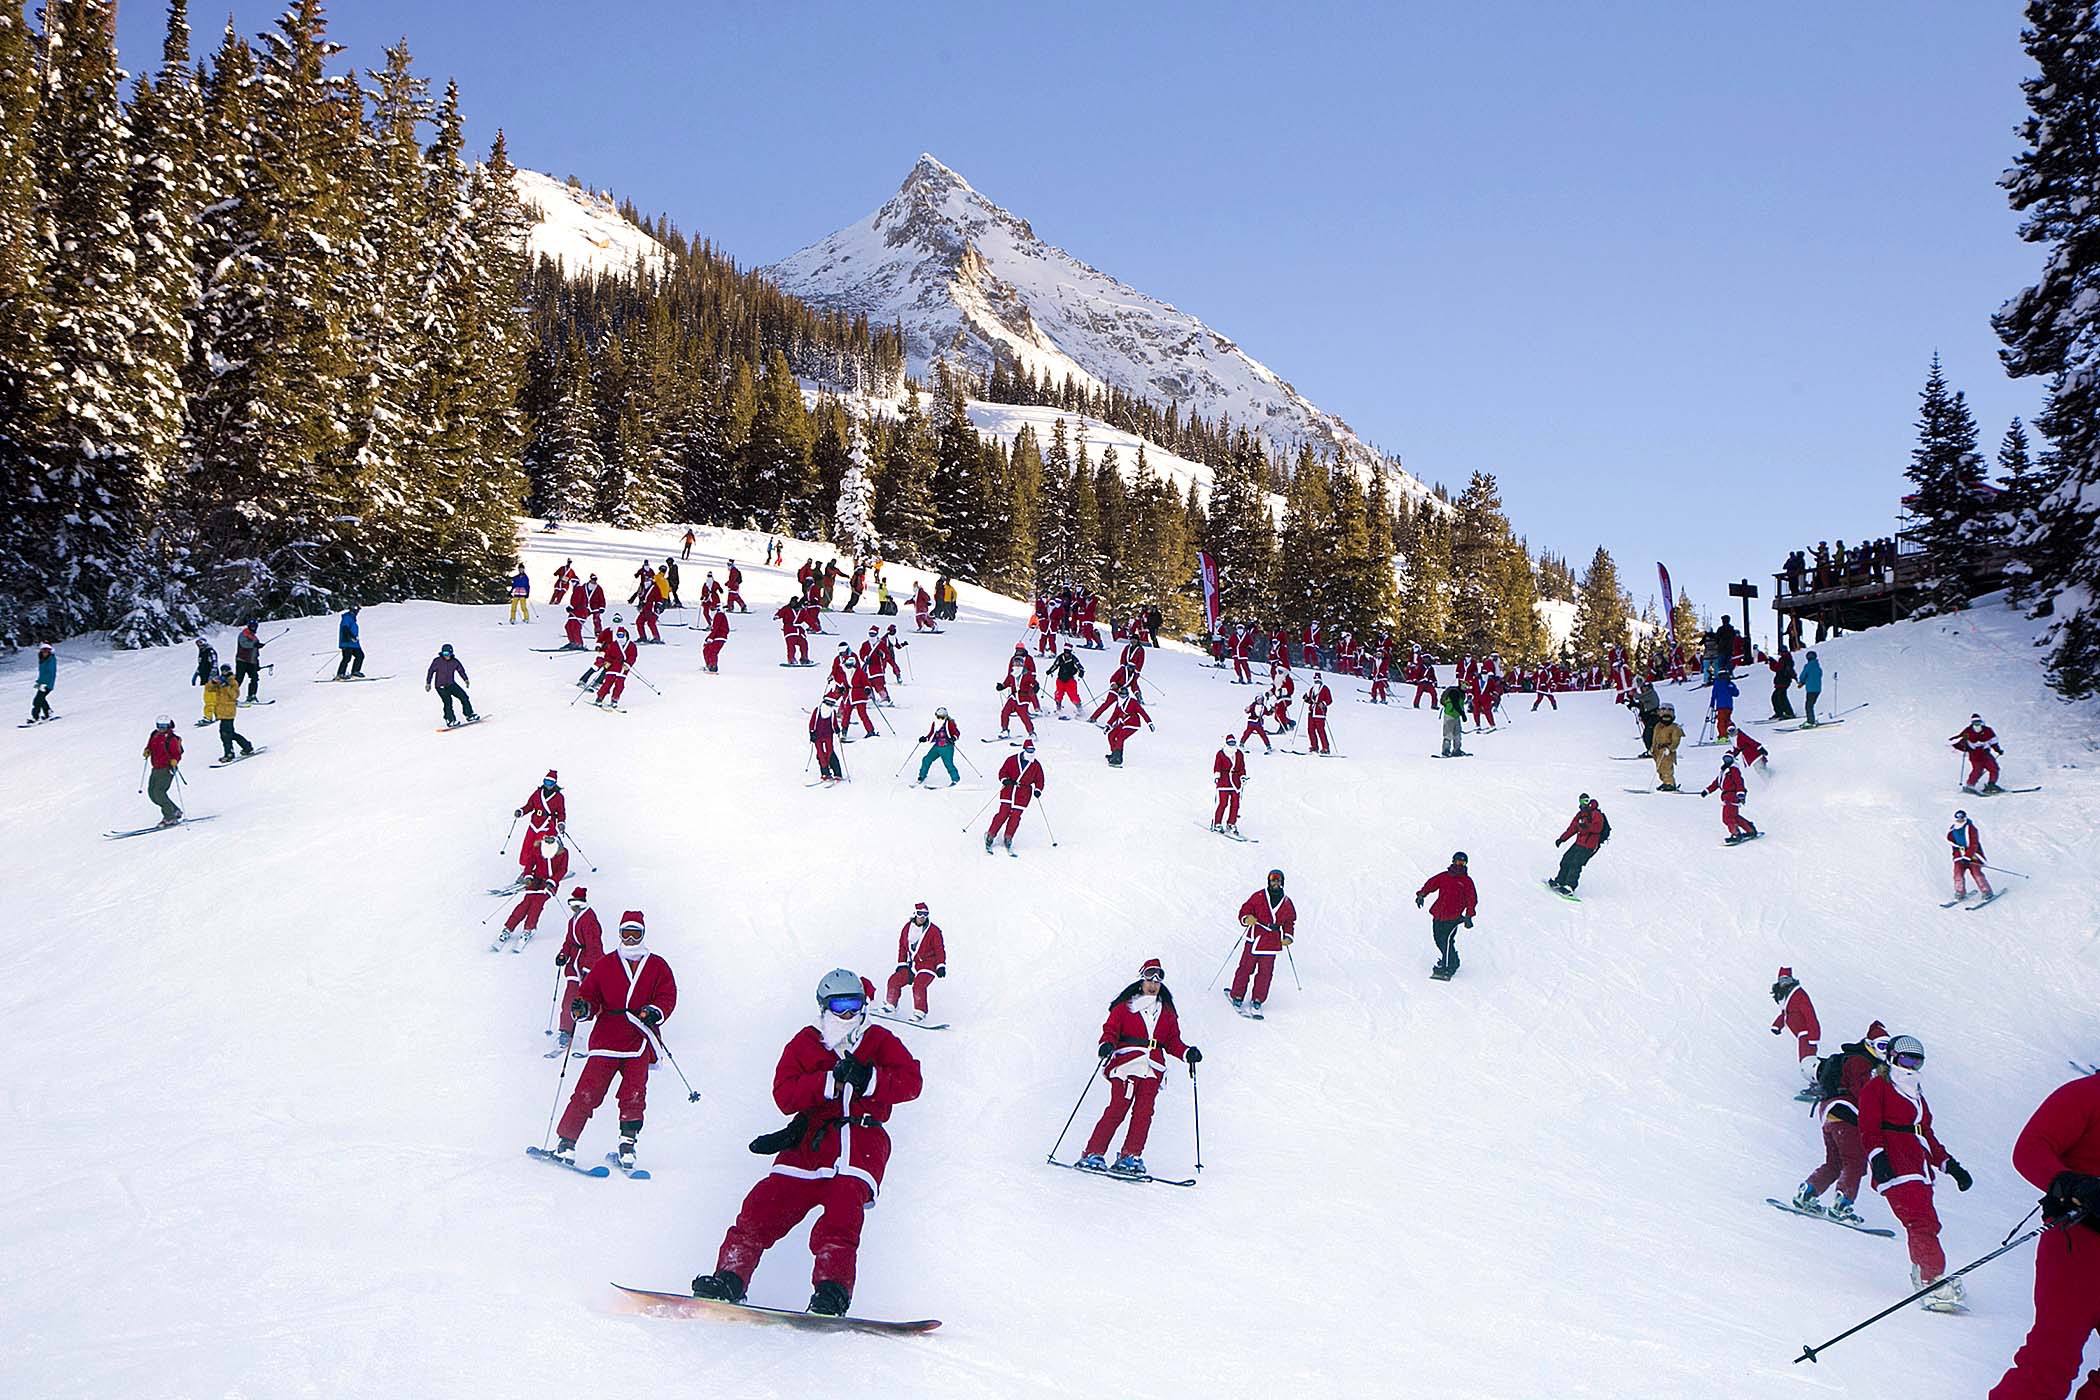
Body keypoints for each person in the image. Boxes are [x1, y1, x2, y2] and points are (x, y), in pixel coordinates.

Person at [691, 970, 922, 1317]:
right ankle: (729, 1278)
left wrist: (870, 1079)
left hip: (859, 1143)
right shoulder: (806, 1042)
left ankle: (831, 1292)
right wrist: (827, 1082)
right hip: (809, 1144)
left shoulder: (879, 1040)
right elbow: (784, 1094)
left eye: (854, 1005)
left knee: (842, 1216)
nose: (847, 1015)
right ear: (824, 1006)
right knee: (761, 1206)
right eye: (840, 1006)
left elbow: (911, 1082)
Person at [1987, 1070, 2100, 1400]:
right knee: (2054, 1357)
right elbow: (2030, 1148)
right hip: (2077, 1243)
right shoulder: (2087, 1094)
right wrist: (2070, 1183)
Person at [551, 911, 677, 1174]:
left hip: (638, 1037)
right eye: (625, 933)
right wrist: (583, 1008)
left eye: (636, 933)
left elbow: (667, 995)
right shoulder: (606, 964)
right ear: (619, 934)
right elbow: (589, 996)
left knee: (634, 1094)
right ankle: (566, 1142)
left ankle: (627, 1146)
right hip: (607, 1037)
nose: (630, 939)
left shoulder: (657, 965)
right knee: (588, 1090)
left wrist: (655, 1010)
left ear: (643, 934)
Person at [1859, 1034, 1974, 1309]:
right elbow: (1869, 1127)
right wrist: (1878, 1158)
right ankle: (1931, 1279)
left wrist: (1950, 1165)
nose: (1910, 1065)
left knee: (1928, 1223)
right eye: (1905, 1058)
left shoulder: (1916, 1092)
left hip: (1919, 1168)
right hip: (1895, 1166)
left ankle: (1924, 1271)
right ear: (1892, 1058)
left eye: (1916, 1060)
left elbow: (1926, 1134)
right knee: (1921, 1223)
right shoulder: (1877, 1088)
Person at [1077, 958, 1199, 1176]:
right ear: (1141, 981)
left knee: (1144, 1113)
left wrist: (1187, 1052)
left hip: (1152, 1068)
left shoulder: (1167, 1012)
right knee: (1118, 1108)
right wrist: (1106, 1044)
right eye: (1148, 979)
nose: (1153, 985)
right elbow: (1111, 1030)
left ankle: (1130, 1156)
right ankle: (1093, 1152)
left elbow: (1172, 1042)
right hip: (1126, 1064)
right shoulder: (1125, 1007)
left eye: (1157, 981)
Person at [1789, 1023, 1891, 1226]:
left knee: (1835, 1163)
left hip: (1831, 1115)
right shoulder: (1860, 1062)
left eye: (1887, 1047)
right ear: (1869, 1044)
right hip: (1846, 1114)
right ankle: (1841, 1204)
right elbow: (1862, 1093)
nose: (1884, 1052)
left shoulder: (1859, 1061)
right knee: (1855, 1162)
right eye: (1880, 1046)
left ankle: (1807, 1193)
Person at [1227, 869, 1296, 1015]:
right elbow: (1245, 909)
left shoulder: (1287, 903)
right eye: (1273, 879)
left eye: (1278, 880)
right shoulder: (1259, 896)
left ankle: (1258, 999)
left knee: (1265, 973)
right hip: (1255, 937)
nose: (1275, 883)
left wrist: (1288, 936)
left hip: (1272, 943)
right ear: (1268, 881)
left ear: (1282, 882)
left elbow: (1289, 922)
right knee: (1245, 967)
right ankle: (1237, 995)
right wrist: (1247, 918)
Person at [499, 830, 569, 948]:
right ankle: (508, 927)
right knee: (525, 903)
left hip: (549, 884)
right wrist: (528, 876)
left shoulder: (562, 852)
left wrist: (552, 882)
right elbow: (530, 864)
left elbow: (562, 870)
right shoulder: (538, 848)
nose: (548, 841)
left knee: (537, 903)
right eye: (546, 839)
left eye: (551, 839)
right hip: (535, 880)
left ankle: (529, 928)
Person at [553, 887, 602, 1052]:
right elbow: (569, 941)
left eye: (574, 904)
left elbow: (595, 946)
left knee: (593, 1000)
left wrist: (589, 968)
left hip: (588, 967)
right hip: (574, 966)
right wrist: (563, 955)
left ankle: (607, 1030)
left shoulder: (589, 920)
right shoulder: (573, 920)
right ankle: (566, 1030)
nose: (572, 907)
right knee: (570, 999)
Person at [1415, 852, 1478, 980]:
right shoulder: (1445, 877)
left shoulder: (1466, 882)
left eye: (1463, 863)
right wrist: (1421, 894)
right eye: (1457, 862)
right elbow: (1431, 884)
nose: (1459, 865)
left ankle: (1447, 967)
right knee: (1438, 939)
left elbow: (1472, 899)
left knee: (1447, 940)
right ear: (1453, 861)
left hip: (1453, 917)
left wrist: (1469, 916)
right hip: (1439, 914)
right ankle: (1452, 960)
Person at [882, 903, 946, 1022]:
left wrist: (940, 965)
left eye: (925, 914)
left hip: (928, 965)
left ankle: (920, 1012)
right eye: (919, 913)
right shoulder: (907, 928)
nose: (922, 917)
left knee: (919, 985)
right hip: (913, 965)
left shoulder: (934, 931)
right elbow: (902, 947)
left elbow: (939, 949)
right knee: (894, 980)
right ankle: (891, 1005)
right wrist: (902, 963)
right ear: (915, 914)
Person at [984, 739, 1044, 853]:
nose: (1031, 753)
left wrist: (1038, 790)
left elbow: (1040, 779)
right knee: (1003, 813)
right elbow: (1002, 771)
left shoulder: (1036, 765)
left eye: (1033, 750)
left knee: (1015, 816)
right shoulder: (1012, 760)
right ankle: (991, 834)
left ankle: (1008, 836)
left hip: (1023, 794)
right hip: (1009, 790)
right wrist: (1005, 780)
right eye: (1029, 750)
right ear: (1024, 749)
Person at [1549, 793, 1609, 895]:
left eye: (1586, 801)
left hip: (1589, 845)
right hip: (1579, 843)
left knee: (1576, 864)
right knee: (1566, 859)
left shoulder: (1596, 814)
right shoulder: (1580, 815)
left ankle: (1570, 886)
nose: (1584, 803)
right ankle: (1560, 881)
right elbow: (1572, 828)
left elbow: (1598, 827)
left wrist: (1586, 826)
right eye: (1582, 801)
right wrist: (1562, 839)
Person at [1770, 968, 1821, 1076]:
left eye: (1786, 979)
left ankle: (1818, 1083)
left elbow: (1810, 1015)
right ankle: (1814, 1082)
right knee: (1804, 1061)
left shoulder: (1799, 996)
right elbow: (1786, 1013)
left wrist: (1814, 1036)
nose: (1784, 983)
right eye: (1781, 980)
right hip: (1801, 1035)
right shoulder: (1786, 997)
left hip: (1807, 1034)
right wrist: (1777, 1025)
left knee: (1808, 1061)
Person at [203, 664, 254, 762]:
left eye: (226, 671)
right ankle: (246, 746)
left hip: (229, 711)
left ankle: (229, 753)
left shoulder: (232, 682)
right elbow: (208, 688)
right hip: (221, 712)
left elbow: (234, 695)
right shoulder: (220, 680)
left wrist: (226, 686)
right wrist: (214, 682)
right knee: (229, 733)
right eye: (223, 671)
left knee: (226, 734)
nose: (224, 673)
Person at [1703, 751, 1757, 843]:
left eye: (1728, 759)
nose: (1726, 761)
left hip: (1732, 796)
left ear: (1732, 759)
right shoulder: (1724, 771)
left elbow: (1739, 781)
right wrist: (1707, 791)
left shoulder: (1733, 770)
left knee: (1727, 818)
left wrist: (1740, 793)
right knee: (1734, 816)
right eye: (1725, 759)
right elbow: (1717, 783)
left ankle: (1735, 834)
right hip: (1727, 795)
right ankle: (1750, 830)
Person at [143, 715, 184, 825]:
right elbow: (150, 745)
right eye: (159, 726)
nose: (161, 728)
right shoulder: (154, 734)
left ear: (168, 726)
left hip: (166, 769)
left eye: (164, 726)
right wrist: (147, 750)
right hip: (156, 767)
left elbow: (177, 753)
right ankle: (174, 810)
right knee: (152, 793)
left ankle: (169, 817)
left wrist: (175, 760)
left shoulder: (172, 739)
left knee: (159, 792)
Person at [1947, 809, 1993, 904]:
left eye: (1962, 819)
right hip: (1960, 856)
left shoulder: (1971, 828)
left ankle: (1986, 891)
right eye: (1958, 819)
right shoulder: (1953, 830)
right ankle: (1960, 892)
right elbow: (1954, 846)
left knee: (1976, 873)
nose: (1960, 821)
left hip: (1973, 855)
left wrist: (1968, 856)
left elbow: (1974, 844)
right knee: (1957, 874)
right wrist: (1958, 857)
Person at [1953, 714, 2006, 795]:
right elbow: (1959, 740)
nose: (1977, 725)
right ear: (1972, 723)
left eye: (1978, 723)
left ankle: (1991, 785)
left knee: (1994, 768)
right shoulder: (1968, 731)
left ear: (1981, 722)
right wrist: (1963, 744)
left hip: (1985, 754)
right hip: (1975, 755)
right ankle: (1970, 786)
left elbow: (1993, 742)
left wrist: (1998, 750)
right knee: (1977, 770)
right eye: (1975, 723)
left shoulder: (1988, 731)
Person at [425, 643, 476, 726]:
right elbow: (430, 671)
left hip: (451, 684)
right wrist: (428, 683)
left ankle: (469, 715)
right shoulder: (437, 661)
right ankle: (450, 719)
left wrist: (465, 679)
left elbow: (461, 670)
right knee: (448, 702)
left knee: (464, 697)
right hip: (440, 686)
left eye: (448, 653)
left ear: (451, 653)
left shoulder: (454, 662)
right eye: (444, 654)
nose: (446, 656)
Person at [1102, 685, 1152, 768]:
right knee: (1111, 735)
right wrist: (1108, 725)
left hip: (1133, 724)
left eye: (1125, 695)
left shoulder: (1132, 702)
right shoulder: (1119, 702)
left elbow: (1142, 712)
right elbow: (1115, 715)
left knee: (1120, 738)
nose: (1123, 696)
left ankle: (1118, 758)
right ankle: (1114, 753)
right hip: (1123, 723)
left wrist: (1149, 722)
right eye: (1121, 694)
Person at [1211, 734, 1247, 834]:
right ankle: (1217, 822)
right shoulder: (1221, 754)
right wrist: (1217, 775)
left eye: (1233, 743)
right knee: (1223, 803)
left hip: (1235, 782)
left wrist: (1242, 776)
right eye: (1230, 743)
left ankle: (1231, 823)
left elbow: (1242, 767)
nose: (1232, 745)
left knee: (1235, 804)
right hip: (1224, 781)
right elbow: (1217, 766)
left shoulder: (1239, 753)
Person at [916, 707, 961, 787]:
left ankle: (955, 779)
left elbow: (956, 733)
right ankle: (922, 776)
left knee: (948, 763)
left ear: (946, 716)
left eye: (942, 717)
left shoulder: (949, 723)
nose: (940, 719)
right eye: (938, 717)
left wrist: (953, 738)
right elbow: (931, 734)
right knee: (926, 759)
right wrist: (925, 738)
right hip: (937, 746)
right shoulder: (935, 723)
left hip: (947, 747)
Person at [594, 626, 637, 708]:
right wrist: (607, 662)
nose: (620, 637)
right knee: (607, 683)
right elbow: (607, 655)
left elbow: (633, 656)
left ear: (625, 635)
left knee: (619, 685)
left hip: (623, 668)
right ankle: (599, 698)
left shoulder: (631, 645)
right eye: (618, 635)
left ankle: (614, 700)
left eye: (621, 635)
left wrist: (628, 664)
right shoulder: (613, 644)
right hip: (612, 666)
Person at [1650, 702, 1684, 791]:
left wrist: (1670, 748)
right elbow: (1655, 737)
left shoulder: (1674, 728)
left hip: (1667, 750)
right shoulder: (1658, 726)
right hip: (1658, 750)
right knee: (1659, 767)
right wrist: (1652, 747)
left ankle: (1670, 783)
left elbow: (1676, 740)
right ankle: (1665, 782)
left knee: (1666, 767)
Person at [808, 701, 844, 783]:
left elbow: (833, 723)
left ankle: (837, 773)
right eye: (828, 704)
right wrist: (812, 733)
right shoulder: (817, 711)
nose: (829, 706)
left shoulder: (832, 712)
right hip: (818, 735)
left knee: (830, 752)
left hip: (828, 734)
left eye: (830, 704)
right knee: (820, 754)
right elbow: (812, 722)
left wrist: (837, 729)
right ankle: (825, 773)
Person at [1048, 646, 1085, 717]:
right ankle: (1058, 707)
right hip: (1060, 679)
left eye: (1068, 653)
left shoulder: (1074, 659)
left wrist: (1081, 672)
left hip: (1070, 680)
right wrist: (1050, 670)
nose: (1066, 654)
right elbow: (1055, 665)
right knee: (1058, 694)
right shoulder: (1060, 657)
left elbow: (1080, 667)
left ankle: (1079, 708)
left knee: (1073, 695)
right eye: (1065, 652)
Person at [234, 620, 266, 701]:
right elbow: (244, 644)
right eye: (252, 627)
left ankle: (251, 696)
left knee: (254, 678)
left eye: (255, 627)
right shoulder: (243, 634)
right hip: (242, 660)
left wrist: (257, 664)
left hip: (252, 662)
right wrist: (254, 645)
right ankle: (231, 697)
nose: (254, 628)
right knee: (239, 679)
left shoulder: (255, 638)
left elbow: (256, 653)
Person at [1304, 674, 1334, 754]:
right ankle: (1314, 746)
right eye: (1315, 680)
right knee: (1310, 729)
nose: (1317, 682)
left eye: (1318, 680)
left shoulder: (1325, 689)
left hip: (1320, 712)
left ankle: (1326, 748)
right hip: (1311, 711)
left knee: (1320, 730)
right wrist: (1306, 699)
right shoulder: (1312, 689)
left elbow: (1329, 700)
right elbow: (1310, 699)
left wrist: (1323, 703)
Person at [28, 641, 55, 723]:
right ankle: (48, 713)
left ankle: (35, 717)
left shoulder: (51, 660)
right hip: (42, 683)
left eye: (47, 651)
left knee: (37, 700)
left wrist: (44, 684)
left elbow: (50, 673)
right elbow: (42, 673)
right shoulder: (42, 659)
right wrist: (38, 683)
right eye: (43, 650)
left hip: (47, 684)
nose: (45, 653)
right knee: (41, 699)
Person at [1767, 647, 1797, 720]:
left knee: (1781, 697)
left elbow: (1780, 668)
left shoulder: (1786, 659)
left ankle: (1789, 713)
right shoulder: (1784, 659)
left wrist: (1793, 676)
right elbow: (1777, 668)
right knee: (1775, 697)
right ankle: (1780, 712)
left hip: (1783, 680)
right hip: (1781, 681)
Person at [1439, 683, 1467, 758]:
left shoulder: (1462, 694)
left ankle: (1456, 750)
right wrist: (1462, 713)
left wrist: (1462, 714)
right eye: (1465, 686)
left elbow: (1460, 705)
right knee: (1448, 734)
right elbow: (1455, 704)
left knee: (1457, 734)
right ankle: (1445, 750)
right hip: (1450, 714)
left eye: (1467, 686)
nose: (1466, 688)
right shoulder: (1454, 692)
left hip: (1456, 716)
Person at [336, 607, 364, 679]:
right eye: (357, 610)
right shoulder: (347, 617)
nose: (358, 612)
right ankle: (340, 674)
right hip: (347, 642)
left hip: (354, 643)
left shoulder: (352, 619)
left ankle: (355, 672)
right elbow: (345, 628)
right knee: (347, 658)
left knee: (360, 655)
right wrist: (351, 637)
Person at [1710, 669, 1739, 740]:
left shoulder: (1717, 683)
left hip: (1721, 706)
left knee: (1721, 721)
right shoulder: (1729, 683)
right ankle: (1730, 733)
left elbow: (1714, 694)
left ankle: (1723, 736)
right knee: (1727, 720)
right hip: (1729, 706)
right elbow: (1736, 693)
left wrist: (1712, 703)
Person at [1800, 650, 1823, 727]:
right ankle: (1811, 719)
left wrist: (1801, 682)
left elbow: (1803, 675)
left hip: (1811, 689)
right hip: (1818, 689)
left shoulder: (1808, 666)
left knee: (1808, 705)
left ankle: (1810, 721)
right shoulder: (1818, 666)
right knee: (1811, 705)